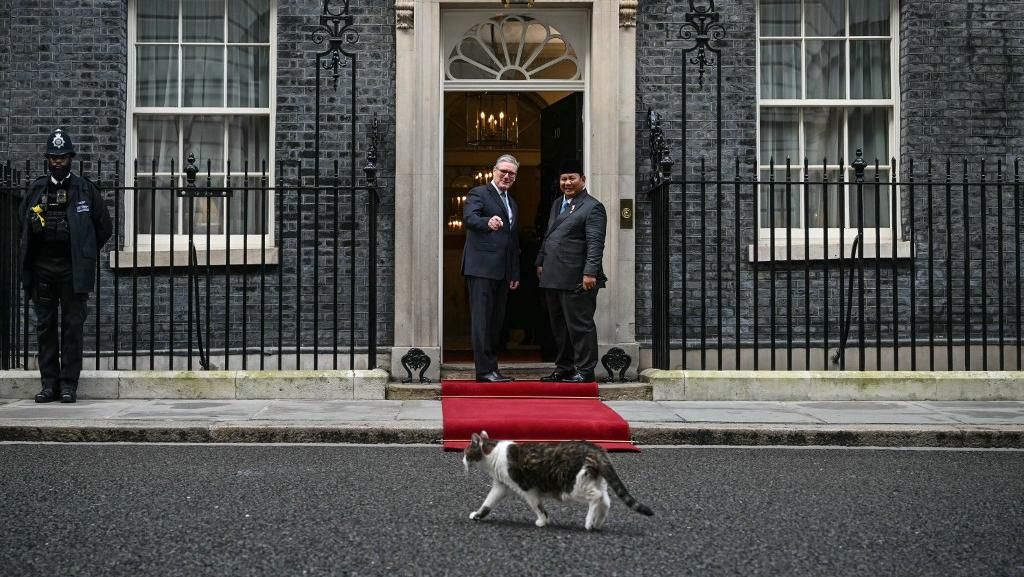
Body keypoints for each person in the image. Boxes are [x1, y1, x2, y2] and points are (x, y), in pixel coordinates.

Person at [19, 128, 113, 403]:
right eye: (53, 157)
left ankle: (69, 384)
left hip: (73, 270)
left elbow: (103, 227)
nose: (57, 161)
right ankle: (49, 385)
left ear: (71, 157)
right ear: (47, 159)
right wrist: (35, 228)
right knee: (45, 327)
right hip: (43, 269)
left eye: (62, 157)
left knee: (72, 327)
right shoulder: (37, 189)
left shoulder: (85, 189)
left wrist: (83, 251)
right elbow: (21, 223)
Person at [535, 159, 607, 383]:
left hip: (577, 277)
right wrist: (540, 260)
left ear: (583, 180)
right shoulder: (558, 204)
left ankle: (585, 370)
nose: (567, 183)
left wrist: (590, 273)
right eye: (563, 179)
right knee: (559, 327)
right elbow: (549, 235)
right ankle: (564, 367)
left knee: (580, 326)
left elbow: (595, 243)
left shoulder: (593, 207)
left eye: (572, 178)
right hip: (553, 275)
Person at [461, 154, 521, 382]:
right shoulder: (479, 193)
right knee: (482, 321)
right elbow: (469, 218)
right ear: (493, 171)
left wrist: (514, 272)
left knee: (496, 322)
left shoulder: (512, 202)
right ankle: (484, 370)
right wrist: (487, 222)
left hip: (502, 271)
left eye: (511, 173)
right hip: (481, 268)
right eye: (503, 171)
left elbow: (512, 241)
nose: (506, 176)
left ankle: (492, 368)